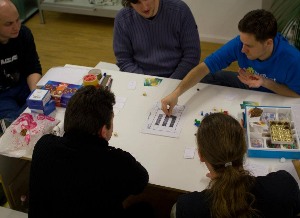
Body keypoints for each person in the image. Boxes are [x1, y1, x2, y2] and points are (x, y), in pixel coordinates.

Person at [29, 86, 150, 218]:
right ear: (103, 130)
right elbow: (141, 181)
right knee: (145, 209)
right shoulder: (116, 162)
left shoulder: (44, 145)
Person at [161, 9, 300, 116]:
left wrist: (265, 82)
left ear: (268, 43)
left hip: (274, 96)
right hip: (247, 83)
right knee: (209, 76)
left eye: (249, 46)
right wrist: (176, 93)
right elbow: (203, 68)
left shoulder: (293, 60)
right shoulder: (240, 44)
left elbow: (297, 95)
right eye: (242, 42)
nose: (243, 49)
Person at [174, 113, 300, 218]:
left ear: (201, 155)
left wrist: (222, 179)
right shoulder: (284, 186)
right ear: (244, 149)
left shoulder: (188, 208)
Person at [113, 0, 200, 80]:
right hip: (140, 78)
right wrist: (147, 82)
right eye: (137, 2)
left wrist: (170, 83)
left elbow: (192, 56)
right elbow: (124, 60)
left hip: (178, 79)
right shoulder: (122, 19)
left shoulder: (180, 10)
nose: (145, 7)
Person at [0, 0, 42, 123]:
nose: (16, 27)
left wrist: (36, 95)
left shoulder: (24, 34)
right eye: (8, 24)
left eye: (18, 20)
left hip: (23, 85)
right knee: (16, 123)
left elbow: (33, 67)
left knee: (40, 113)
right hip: (2, 95)